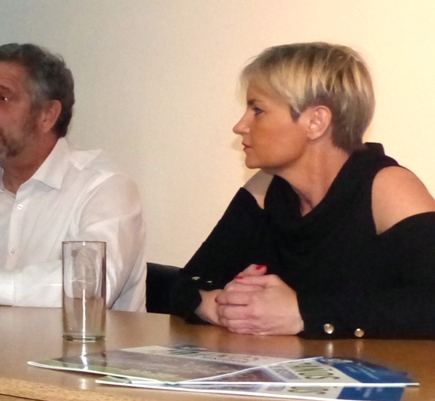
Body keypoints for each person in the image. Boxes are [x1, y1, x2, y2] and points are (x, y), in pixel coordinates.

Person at [170, 42, 435, 338]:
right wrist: (222, 307)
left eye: (257, 110)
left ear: (316, 122)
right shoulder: (265, 189)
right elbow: (189, 283)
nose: (240, 126)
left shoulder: (387, 187)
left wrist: (302, 312)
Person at [0, 43, 146, 310]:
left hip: (78, 352)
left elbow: (90, 286)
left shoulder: (104, 187)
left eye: (3, 98)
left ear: (48, 115)